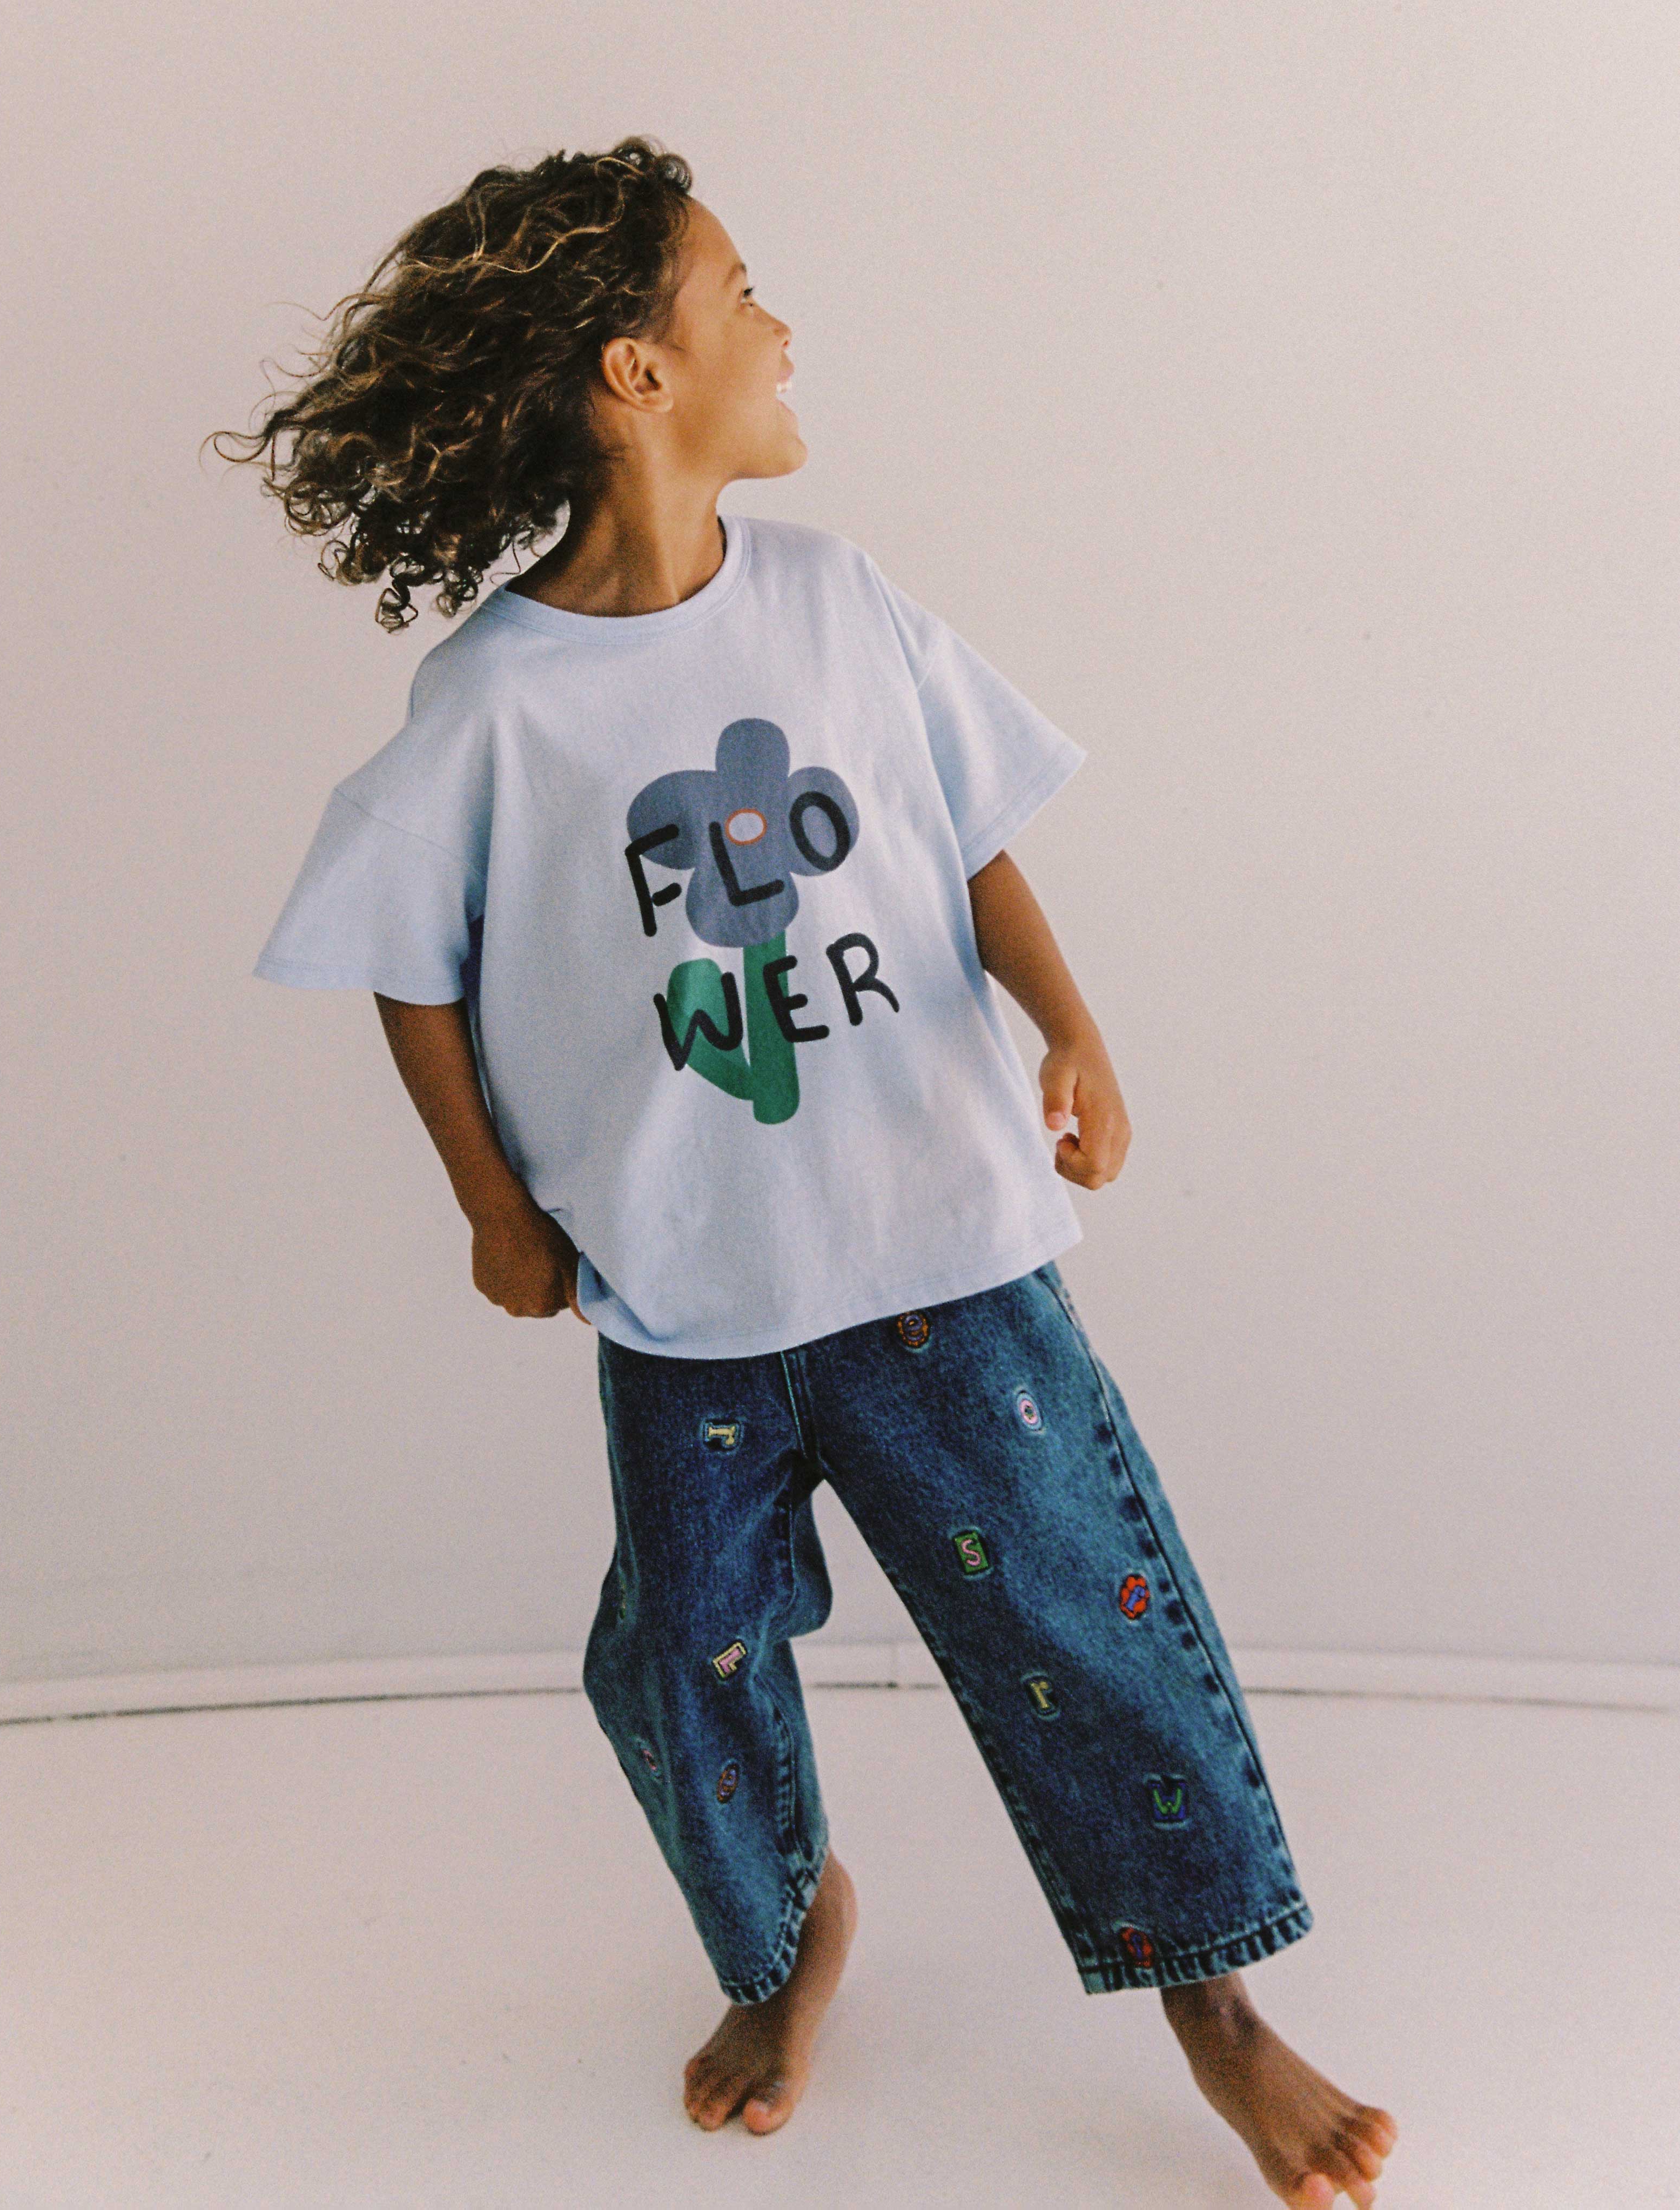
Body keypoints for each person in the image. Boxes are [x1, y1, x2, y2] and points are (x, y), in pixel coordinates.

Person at [218, 136, 1399, 2206]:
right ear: (633, 373)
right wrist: (490, 1204)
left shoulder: (838, 603)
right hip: (689, 1306)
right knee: (681, 1662)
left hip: (941, 1262)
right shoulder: (494, 710)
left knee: (1091, 1621)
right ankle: (783, 1940)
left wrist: (1073, 1024)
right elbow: (401, 967)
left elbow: (970, 828)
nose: (783, 324)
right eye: (741, 290)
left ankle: (1217, 2008)